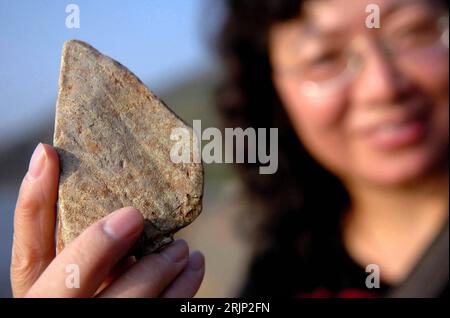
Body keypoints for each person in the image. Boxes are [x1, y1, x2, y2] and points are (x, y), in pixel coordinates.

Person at [216, 0, 449, 297]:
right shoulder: (277, 282)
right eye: (324, 58)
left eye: (412, 32)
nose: (383, 86)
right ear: (271, 93)